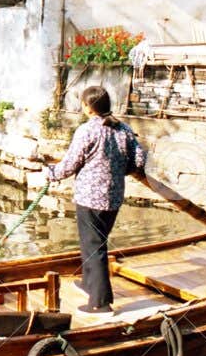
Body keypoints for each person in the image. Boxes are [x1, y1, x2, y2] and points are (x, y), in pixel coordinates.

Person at [46, 86, 147, 313]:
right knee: (94, 243)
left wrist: (51, 173)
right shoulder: (123, 129)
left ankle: (100, 304)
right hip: (113, 197)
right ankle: (89, 283)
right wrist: (125, 167)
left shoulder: (87, 131)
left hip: (90, 198)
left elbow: (70, 163)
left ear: (88, 107)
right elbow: (140, 157)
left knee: (94, 247)